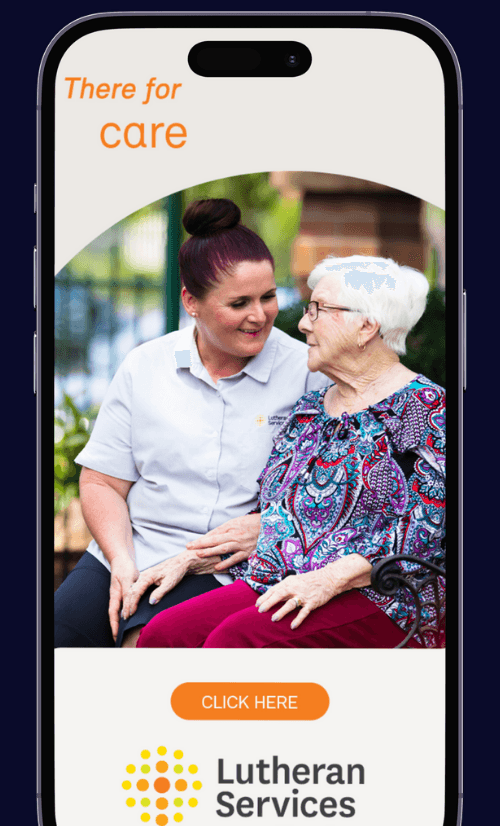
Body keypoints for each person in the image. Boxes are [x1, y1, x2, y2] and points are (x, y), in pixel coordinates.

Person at [54, 198, 329, 648]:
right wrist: (122, 560)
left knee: (143, 643)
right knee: (59, 639)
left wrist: (267, 525)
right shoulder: (145, 366)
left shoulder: (307, 372)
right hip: (133, 547)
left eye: (268, 296)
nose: (259, 315)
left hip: (224, 563)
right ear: (191, 302)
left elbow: (332, 489)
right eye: (239, 303)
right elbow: (103, 482)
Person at [137, 255, 446, 650]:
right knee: (166, 634)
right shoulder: (310, 410)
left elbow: (431, 528)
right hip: (285, 580)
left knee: (236, 643)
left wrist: (332, 578)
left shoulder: (428, 409)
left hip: (383, 597)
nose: (303, 324)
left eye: (318, 310)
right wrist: (191, 558)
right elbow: (275, 509)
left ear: (366, 326)